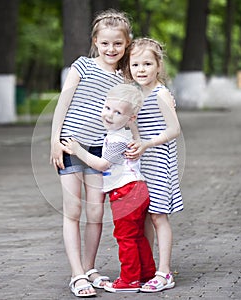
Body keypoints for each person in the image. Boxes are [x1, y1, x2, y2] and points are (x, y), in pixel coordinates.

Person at [50, 9, 132, 298]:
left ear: (126, 43)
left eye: (118, 44)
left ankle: (89, 268)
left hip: (100, 150)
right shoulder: (82, 66)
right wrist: (54, 140)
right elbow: (62, 104)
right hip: (70, 145)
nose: (112, 49)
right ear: (96, 41)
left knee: (96, 212)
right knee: (73, 210)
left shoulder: (126, 75)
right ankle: (77, 275)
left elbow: (139, 103)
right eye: (106, 43)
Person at [62, 83, 156, 293]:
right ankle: (146, 273)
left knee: (126, 237)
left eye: (118, 112)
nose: (109, 115)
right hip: (136, 190)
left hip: (126, 193)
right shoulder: (124, 133)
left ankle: (129, 280)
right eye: (107, 108)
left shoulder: (117, 139)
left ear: (130, 118)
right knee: (137, 235)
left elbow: (102, 164)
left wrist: (78, 150)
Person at [123, 37, 184, 293]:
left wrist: (146, 145)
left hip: (160, 162)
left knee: (159, 215)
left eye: (147, 63)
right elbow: (138, 130)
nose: (141, 69)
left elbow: (175, 129)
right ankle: (147, 269)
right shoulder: (136, 93)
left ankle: (164, 271)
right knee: (144, 216)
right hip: (142, 164)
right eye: (136, 64)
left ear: (158, 66)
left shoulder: (161, 94)